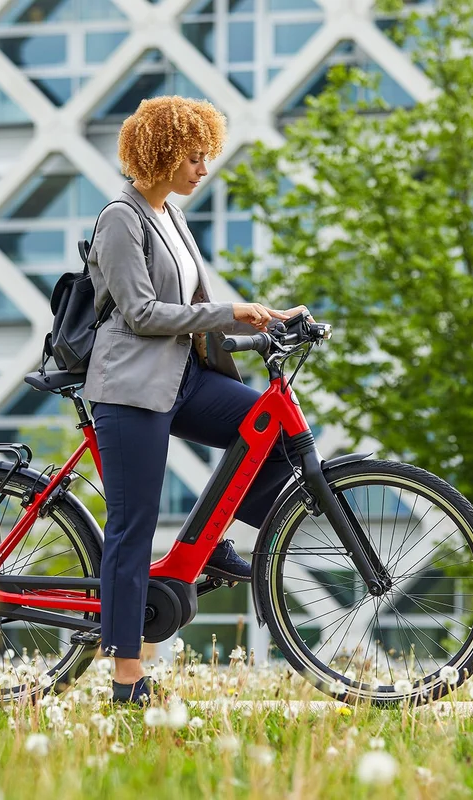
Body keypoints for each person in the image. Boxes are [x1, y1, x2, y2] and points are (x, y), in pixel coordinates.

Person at [81, 96, 304, 705]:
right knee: (134, 526)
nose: (203, 169)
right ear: (162, 152)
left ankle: (214, 541)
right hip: (131, 391)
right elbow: (143, 313)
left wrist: (260, 326)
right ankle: (127, 676)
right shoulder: (121, 219)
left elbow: (190, 318)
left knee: (269, 429)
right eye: (195, 156)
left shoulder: (171, 218)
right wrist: (231, 309)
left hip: (182, 376)